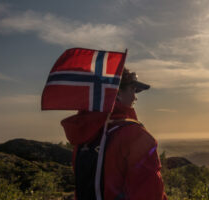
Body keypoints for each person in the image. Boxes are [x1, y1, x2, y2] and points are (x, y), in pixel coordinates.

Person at [61, 68, 168, 200]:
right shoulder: (134, 135)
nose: (135, 97)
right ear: (116, 93)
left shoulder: (87, 136)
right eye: (133, 90)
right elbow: (150, 193)